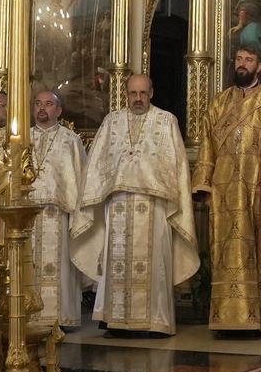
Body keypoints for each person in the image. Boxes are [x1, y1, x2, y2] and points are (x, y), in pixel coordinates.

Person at [72, 75, 199, 336]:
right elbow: (97, 163)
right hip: (117, 204)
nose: (138, 98)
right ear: (126, 94)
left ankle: (156, 321)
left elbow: (176, 167)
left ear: (151, 92)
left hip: (154, 206)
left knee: (154, 265)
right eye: (133, 93)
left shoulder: (166, 121)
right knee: (115, 261)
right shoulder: (111, 121)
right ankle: (115, 320)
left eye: (142, 92)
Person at [192, 47, 261, 332]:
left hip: (259, 190)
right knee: (224, 255)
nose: (242, 64)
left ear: (259, 65)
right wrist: (203, 185)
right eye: (239, 59)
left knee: (257, 255)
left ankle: (257, 321)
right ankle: (224, 320)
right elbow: (207, 146)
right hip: (223, 194)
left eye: (249, 60)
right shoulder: (218, 103)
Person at [29, 91, 86, 328]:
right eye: (38, 104)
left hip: (58, 214)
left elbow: (80, 179)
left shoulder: (70, 140)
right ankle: (27, 316)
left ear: (59, 110)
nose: (43, 108)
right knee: (26, 265)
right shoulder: (19, 137)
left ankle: (60, 318)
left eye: (49, 104)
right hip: (26, 215)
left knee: (60, 267)